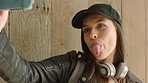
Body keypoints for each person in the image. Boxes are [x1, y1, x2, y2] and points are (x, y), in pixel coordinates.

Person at [0, 1, 142, 83]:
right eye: (86, 30)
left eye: (101, 26)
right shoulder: (74, 66)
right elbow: (26, 75)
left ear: (117, 31)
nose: (92, 34)